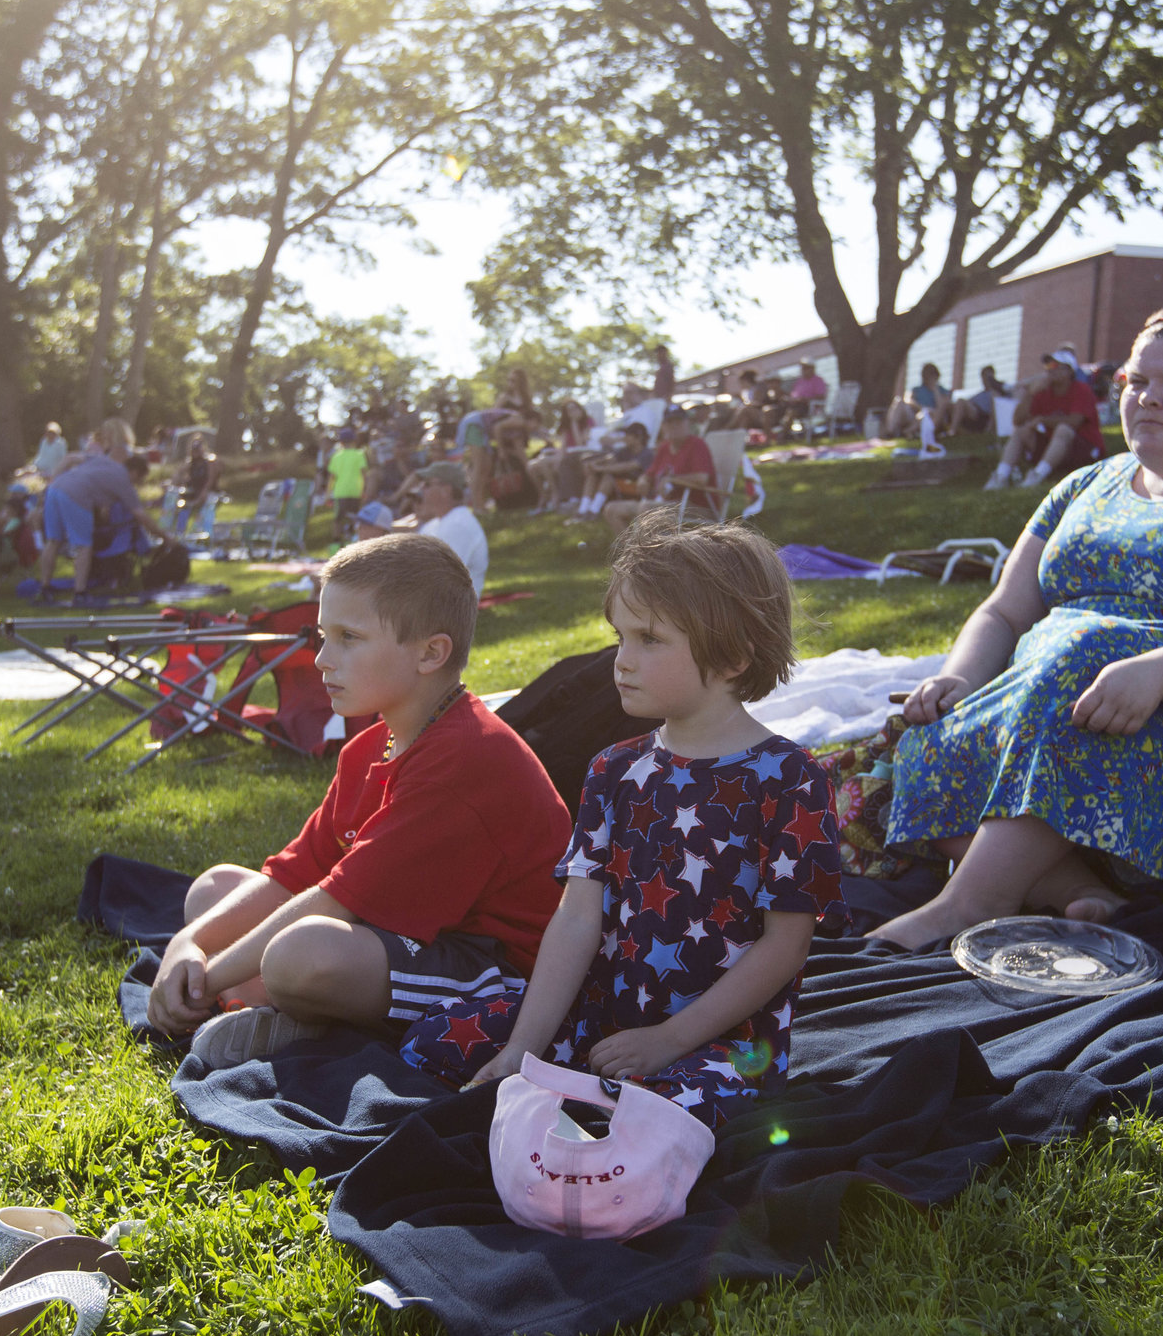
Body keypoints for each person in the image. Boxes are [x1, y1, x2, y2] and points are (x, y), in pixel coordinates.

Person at [869, 302, 1163, 951]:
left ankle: (970, 900)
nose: (1147, 398)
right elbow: (1006, 611)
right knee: (922, 735)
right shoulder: (1083, 487)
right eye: (1135, 381)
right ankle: (1073, 888)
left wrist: (1155, 672)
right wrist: (957, 678)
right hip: (1052, 710)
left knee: (1087, 648)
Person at [401, 517, 845, 1126]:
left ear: (734, 655)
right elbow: (578, 916)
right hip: (602, 1020)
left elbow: (786, 944)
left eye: (649, 639)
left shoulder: (789, 778)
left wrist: (668, 1040)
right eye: (620, 636)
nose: (621, 660)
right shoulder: (614, 769)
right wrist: (523, 1047)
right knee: (440, 1038)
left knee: (660, 1115)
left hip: (723, 1047)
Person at [142, 533, 572, 1056]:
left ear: (431, 653)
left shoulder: (465, 758)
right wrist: (186, 946)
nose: (322, 658)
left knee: (298, 954)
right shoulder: (371, 745)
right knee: (212, 891)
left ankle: (286, 1017)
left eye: (348, 637)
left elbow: (335, 898)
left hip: (496, 972)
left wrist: (205, 979)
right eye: (324, 636)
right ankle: (280, 1009)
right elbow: (297, 873)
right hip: (400, 933)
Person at [38, 417, 175, 600]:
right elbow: (141, 516)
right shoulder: (124, 481)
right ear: (135, 473)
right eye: (139, 480)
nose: (137, 484)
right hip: (76, 495)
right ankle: (80, 592)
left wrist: (51, 483)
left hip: (56, 488)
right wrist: (165, 537)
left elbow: (70, 459)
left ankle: (45, 588)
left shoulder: (102, 461)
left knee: (53, 540)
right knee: (83, 544)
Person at [986, 348, 1103, 489]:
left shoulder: (1081, 390)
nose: (1050, 370)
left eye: (1056, 366)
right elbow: (1017, 421)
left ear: (1069, 371)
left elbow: (1074, 421)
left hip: (1084, 450)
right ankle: (1001, 476)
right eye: (1048, 366)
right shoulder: (1043, 392)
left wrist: (1042, 420)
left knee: (1063, 429)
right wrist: (1030, 394)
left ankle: (1037, 475)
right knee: (1021, 431)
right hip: (1055, 448)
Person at [602, 407, 714, 531]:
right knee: (612, 509)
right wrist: (643, 480)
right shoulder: (664, 447)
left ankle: (653, 549)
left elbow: (701, 478)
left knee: (647, 509)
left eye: (678, 421)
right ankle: (632, 548)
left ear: (688, 423)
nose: (674, 426)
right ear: (663, 426)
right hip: (661, 502)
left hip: (695, 506)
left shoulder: (697, 445)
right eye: (669, 422)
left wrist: (671, 479)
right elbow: (649, 473)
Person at [407, 461, 489, 594]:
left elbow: (441, 578)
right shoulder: (434, 524)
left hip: (447, 609)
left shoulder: (458, 525)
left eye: (427, 484)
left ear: (446, 490)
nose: (421, 489)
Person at [888, 362, 952, 440]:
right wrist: (919, 407)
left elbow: (942, 406)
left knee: (927, 412)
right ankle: (890, 432)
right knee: (898, 401)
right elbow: (907, 399)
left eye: (930, 374)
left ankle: (907, 431)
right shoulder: (917, 390)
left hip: (933, 417)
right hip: (916, 413)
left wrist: (935, 390)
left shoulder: (943, 391)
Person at [325, 426, 368, 537]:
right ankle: (355, 539)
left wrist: (328, 495)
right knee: (355, 518)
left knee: (338, 519)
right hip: (356, 491)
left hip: (340, 492)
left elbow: (332, 477)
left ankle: (336, 542)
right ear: (354, 441)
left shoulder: (336, 456)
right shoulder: (359, 454)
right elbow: (364, 474)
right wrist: (365, 490)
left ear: (341, 442)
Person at [176, 434, 220, 539]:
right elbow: (178, 475)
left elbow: (210, 480)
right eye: (193, 448)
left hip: (208, 492)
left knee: (208, 500)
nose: (195, 450)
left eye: (198, 447)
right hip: (193, 492)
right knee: (180, 503)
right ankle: (179, 531)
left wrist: (203, 494)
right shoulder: (190, 463)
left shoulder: (209, 461)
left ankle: (202, 532)